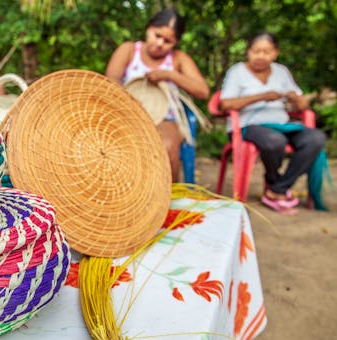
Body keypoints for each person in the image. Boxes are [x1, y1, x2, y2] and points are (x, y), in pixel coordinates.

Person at [220, 31, 327, 215]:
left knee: (316, 138)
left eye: (266, 52)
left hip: (282, 125)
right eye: (256, 51)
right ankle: (277, 188)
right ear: (248, 51)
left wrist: (296, 98)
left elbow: (302, 104)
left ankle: (277, 189)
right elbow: (225, 104)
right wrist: (262, 96)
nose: (260, 56)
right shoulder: (237, 72)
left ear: (275, 53)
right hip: (248, 126)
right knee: (274, 141)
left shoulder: (281, 72)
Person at [105, 9, 210, 182]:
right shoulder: (129, 50)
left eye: (168, 41)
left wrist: (170, 75)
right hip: (126, 116)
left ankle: (166, 199)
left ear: (175, 42)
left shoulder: (178, 58)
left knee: (167, 147)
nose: (160, 43)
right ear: (148, 28)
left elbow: (203, 91)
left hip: (165, 119)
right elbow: (110, 83)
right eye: (157, 35)